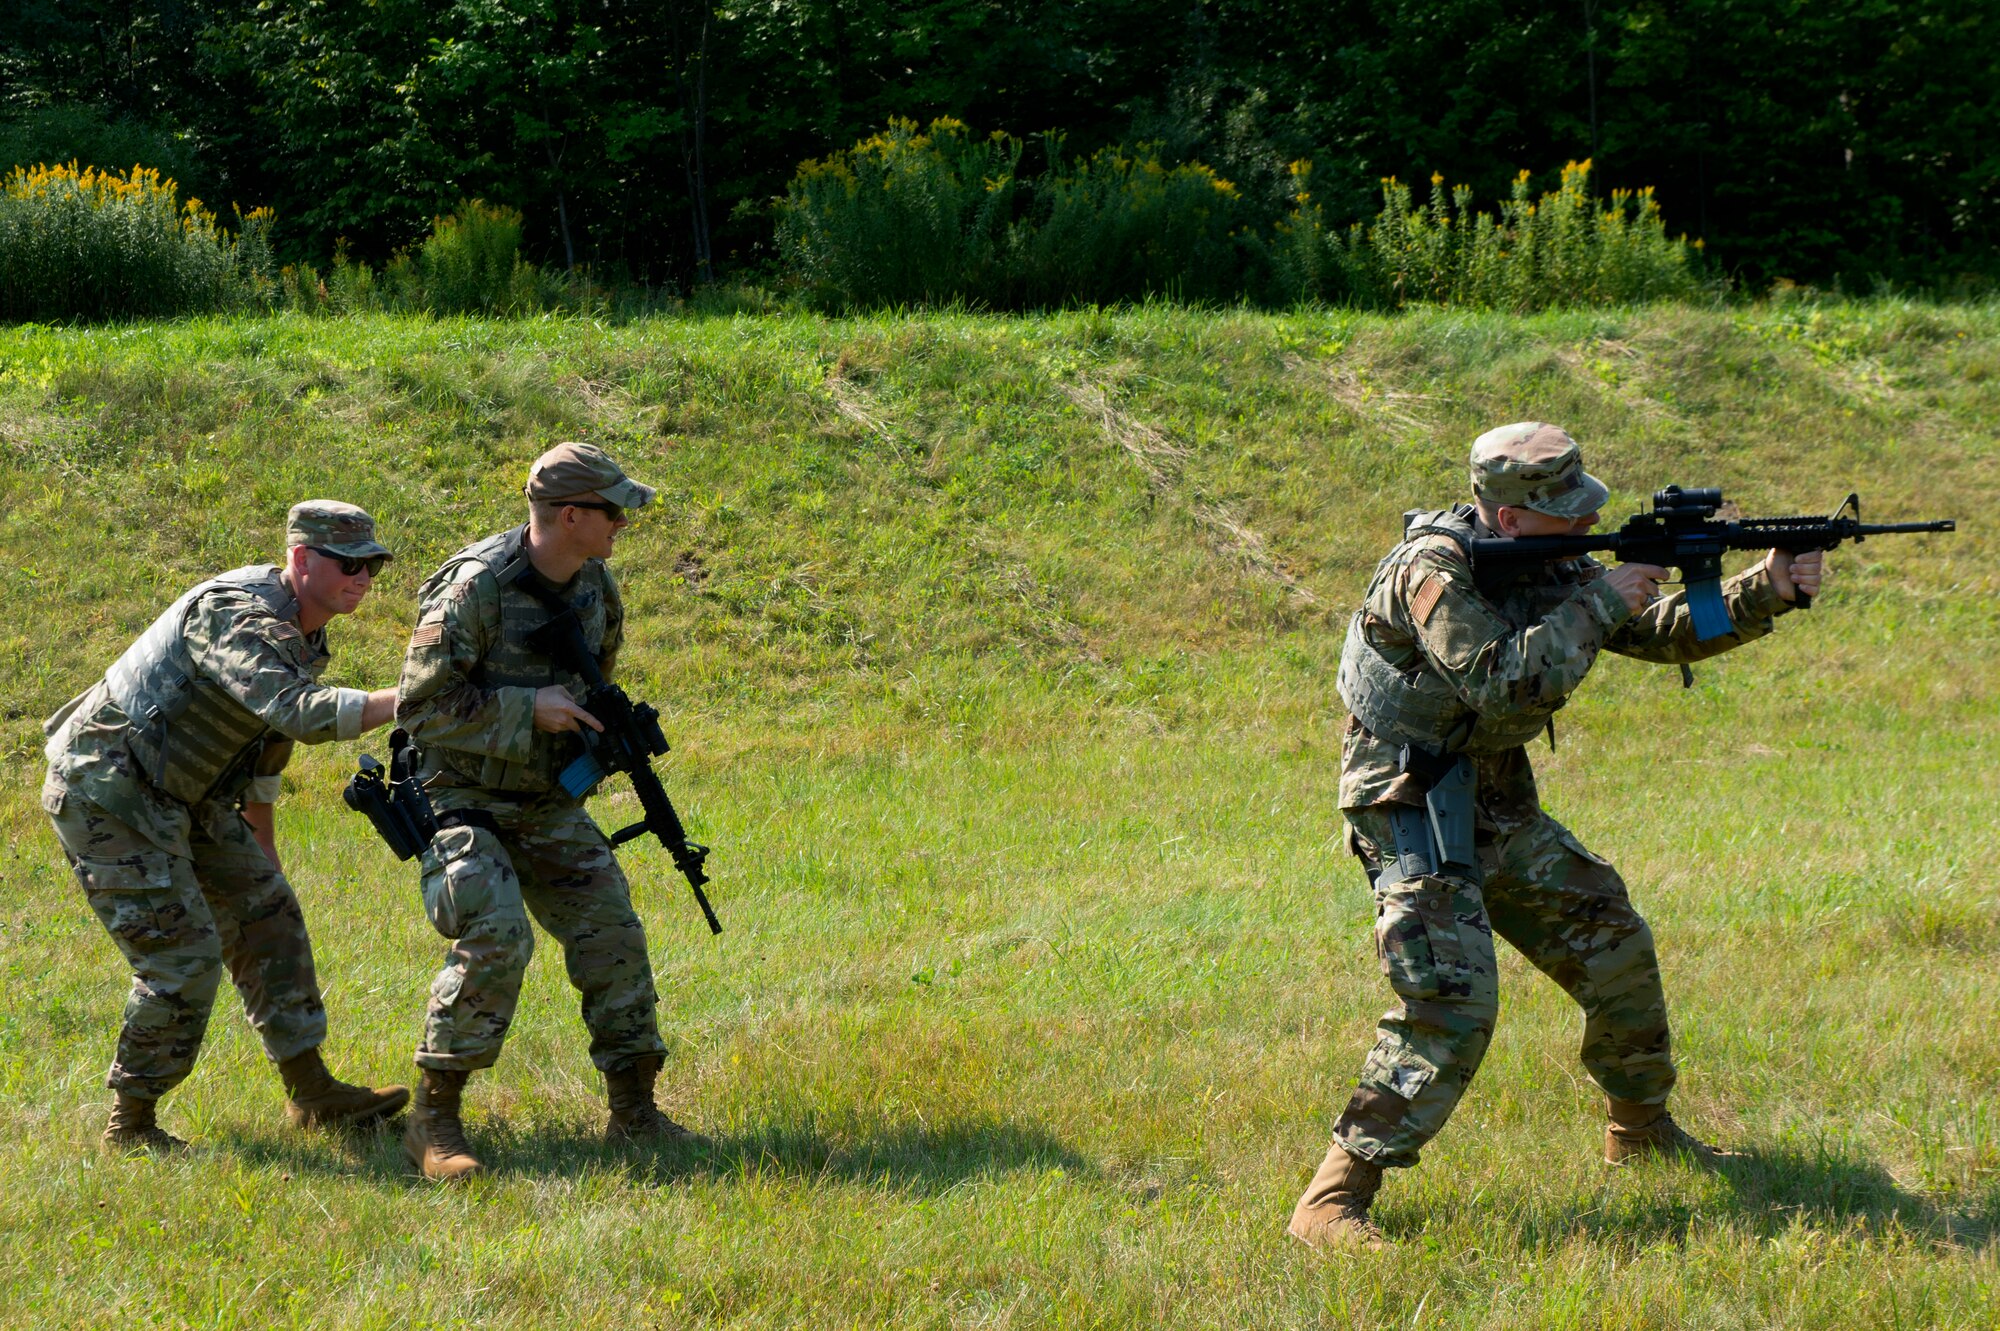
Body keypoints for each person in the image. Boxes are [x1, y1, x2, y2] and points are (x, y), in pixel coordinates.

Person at [1289, 423, 1827, 1251]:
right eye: (1566, 513)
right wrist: (1604, 595)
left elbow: (1657, 631)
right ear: (1508, 518)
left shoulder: (1553, 559)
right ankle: (1330, 1200)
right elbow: (1506, 686)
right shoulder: (1430, 574)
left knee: (1612, 937)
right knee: (1454, 998)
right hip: (1407, 796)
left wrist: (1768, 589)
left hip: (1493, 795)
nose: (1584, 529)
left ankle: (1640, 1130)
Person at [43, 501, 411, 1151]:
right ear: (301, 559)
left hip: (191, 791)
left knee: (267, 912)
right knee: (182, 955)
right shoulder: (234, 612)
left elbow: (266, 742)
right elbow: (298, 711)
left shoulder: (305, 630)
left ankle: (312, 1092)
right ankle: (129, 1124)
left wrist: (260, 848)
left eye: (372, 566)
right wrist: (407, 698)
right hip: (109, 790)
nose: (363, 578)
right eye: (350, 563)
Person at [395, 441, 699, 1182]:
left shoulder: (596, 586)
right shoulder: (475, 590)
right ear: (570, 515)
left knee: (612, 927)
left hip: (543, 798)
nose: (623, 522)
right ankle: (433, 1119)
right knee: (497, 928)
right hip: (458, 795)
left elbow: (597, 677)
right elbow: (419, 709)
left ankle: (635, 1114)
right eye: (611, 510)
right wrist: (527, 709)